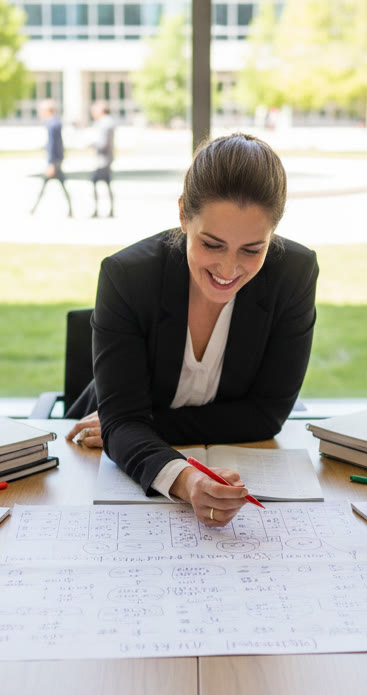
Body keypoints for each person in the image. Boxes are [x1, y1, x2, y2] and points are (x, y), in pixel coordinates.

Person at [65, 133, 318, 528]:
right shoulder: (127, 277)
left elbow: (267, 415)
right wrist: (186, 479)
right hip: (92, 462)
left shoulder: (294, 274)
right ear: (184, 214)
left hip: (126, 438)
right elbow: (121, 426)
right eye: (212, 244)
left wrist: (134, 426)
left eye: (252, 249)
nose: (229, 269)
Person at [30, 99, 73, 217]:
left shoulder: (52, 124)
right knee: (60, 184)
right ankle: (70, 209)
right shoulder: (55, 122)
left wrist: (51, 163)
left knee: (49, 184)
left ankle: (34, 208)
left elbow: (54, 144)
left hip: (55, 161)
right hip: (57, 160)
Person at [89, 102, 116, 218]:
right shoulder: (107, 122)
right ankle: (110, 210)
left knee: (95, 182)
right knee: (107, 183)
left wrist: (91, 144)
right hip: (107, 159)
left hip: (103, 160)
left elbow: (103, 143)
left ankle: (97, 210)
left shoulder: (105, 123)